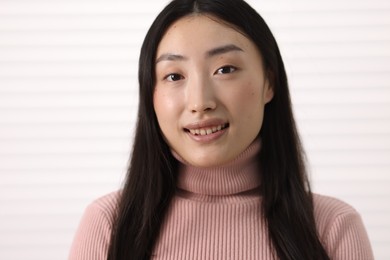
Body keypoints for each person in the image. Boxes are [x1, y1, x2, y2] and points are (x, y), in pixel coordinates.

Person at [69, 0, 374, 259]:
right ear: (151, 93)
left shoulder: (332, 227)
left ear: (269, 82)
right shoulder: (109, 224)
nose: (200, 102)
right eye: (174, 76)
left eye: (225, 70)